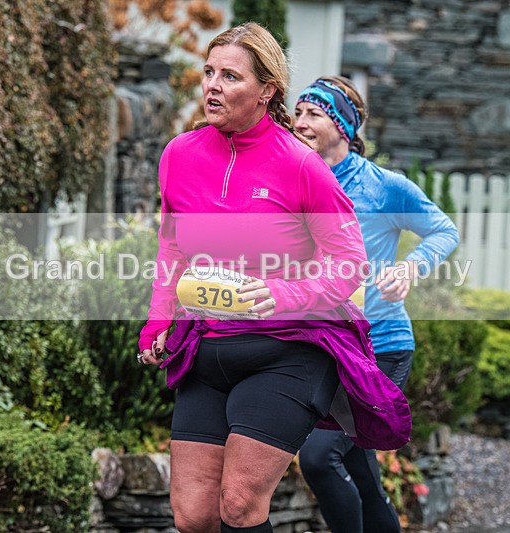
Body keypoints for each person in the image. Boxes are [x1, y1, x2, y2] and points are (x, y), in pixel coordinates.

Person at [137, 24, 411, 533]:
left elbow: (349, 261)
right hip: (208, 346)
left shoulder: (301, 165)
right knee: (193, 516)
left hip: (289, 351)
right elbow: (172, 245)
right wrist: (159, 322)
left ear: (266, 90)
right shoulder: (179, 155)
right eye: (210, 72)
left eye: (230, 76)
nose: (212, 86)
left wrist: (284, 293)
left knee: (239, 504)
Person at [294, 76, 459, 533]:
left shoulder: (384, 187)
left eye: (314, 113)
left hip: (379, 348)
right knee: (364, 478)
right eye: (299, 112)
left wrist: (409, 267)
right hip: (321, 346)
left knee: (320, 457)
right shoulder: (294, 179)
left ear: (343, 127)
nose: (300, 121)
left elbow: (444, 230)